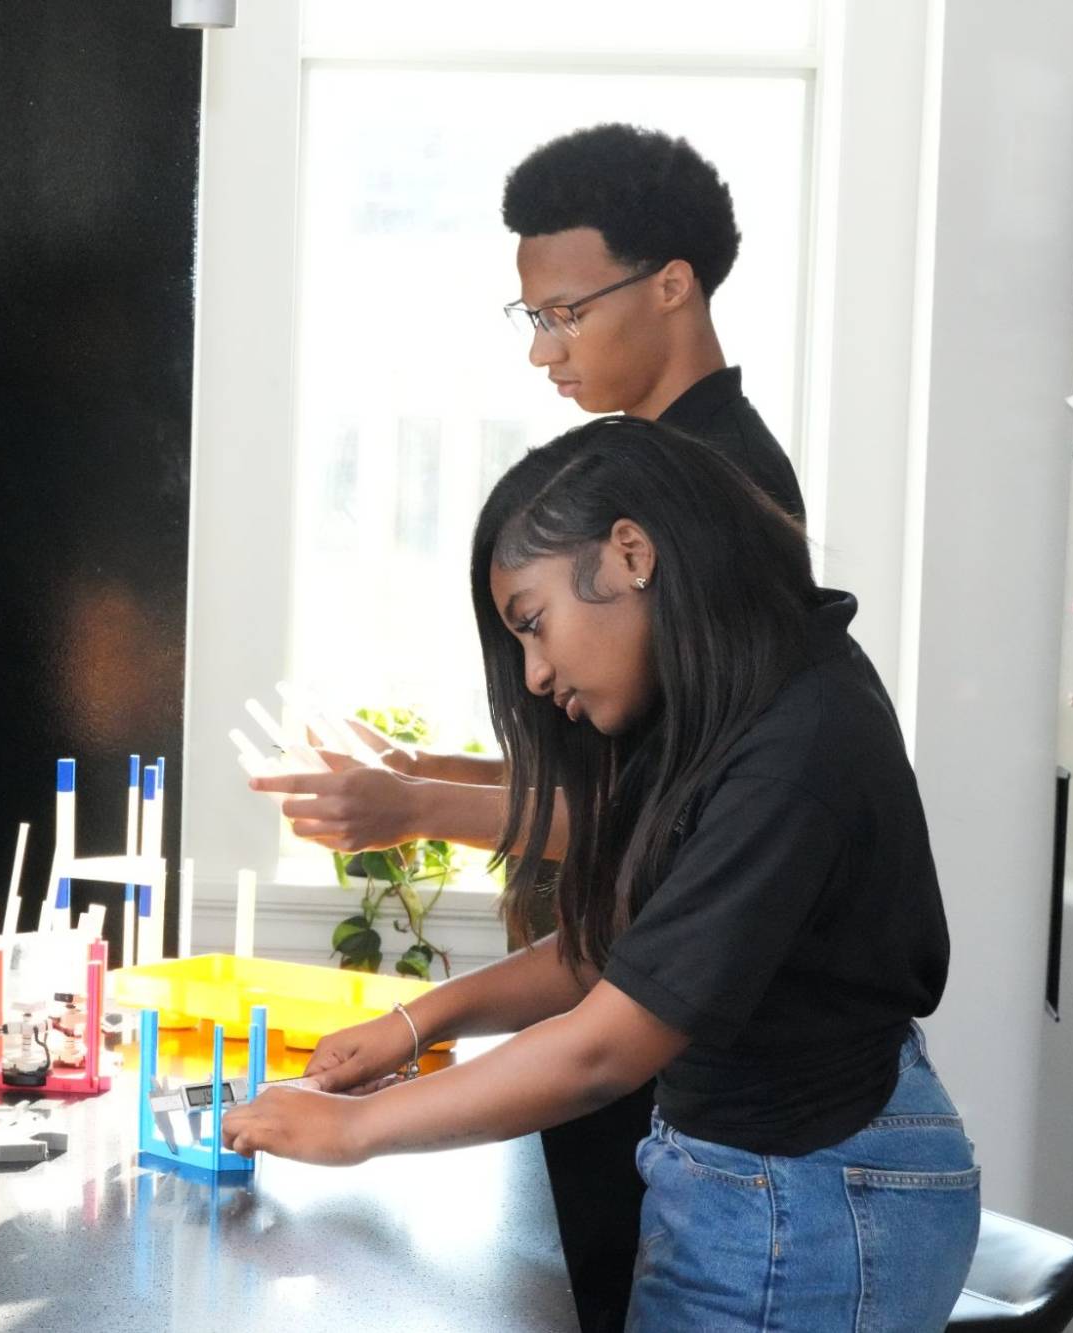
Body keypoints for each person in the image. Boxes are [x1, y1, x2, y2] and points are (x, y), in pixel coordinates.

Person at [221, 416, 978, 1332]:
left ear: (629, 553)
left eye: (535, 625)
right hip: (755, 1177)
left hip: (809, 1195)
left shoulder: (798, 742)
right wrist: (419, 1018)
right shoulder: (731, 707)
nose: (536, 675)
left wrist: (354, 1130)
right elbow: (628, 948)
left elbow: (605, 1044)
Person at [246, 125, 802, 1327]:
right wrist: (430, 771)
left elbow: (675, 819)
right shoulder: (650, 474)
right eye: (529, 321)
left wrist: (419, 805)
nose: (544, 350)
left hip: (693, 1075)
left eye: (562, 314)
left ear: (671, 285)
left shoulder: (721, 501)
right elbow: (640, 772)